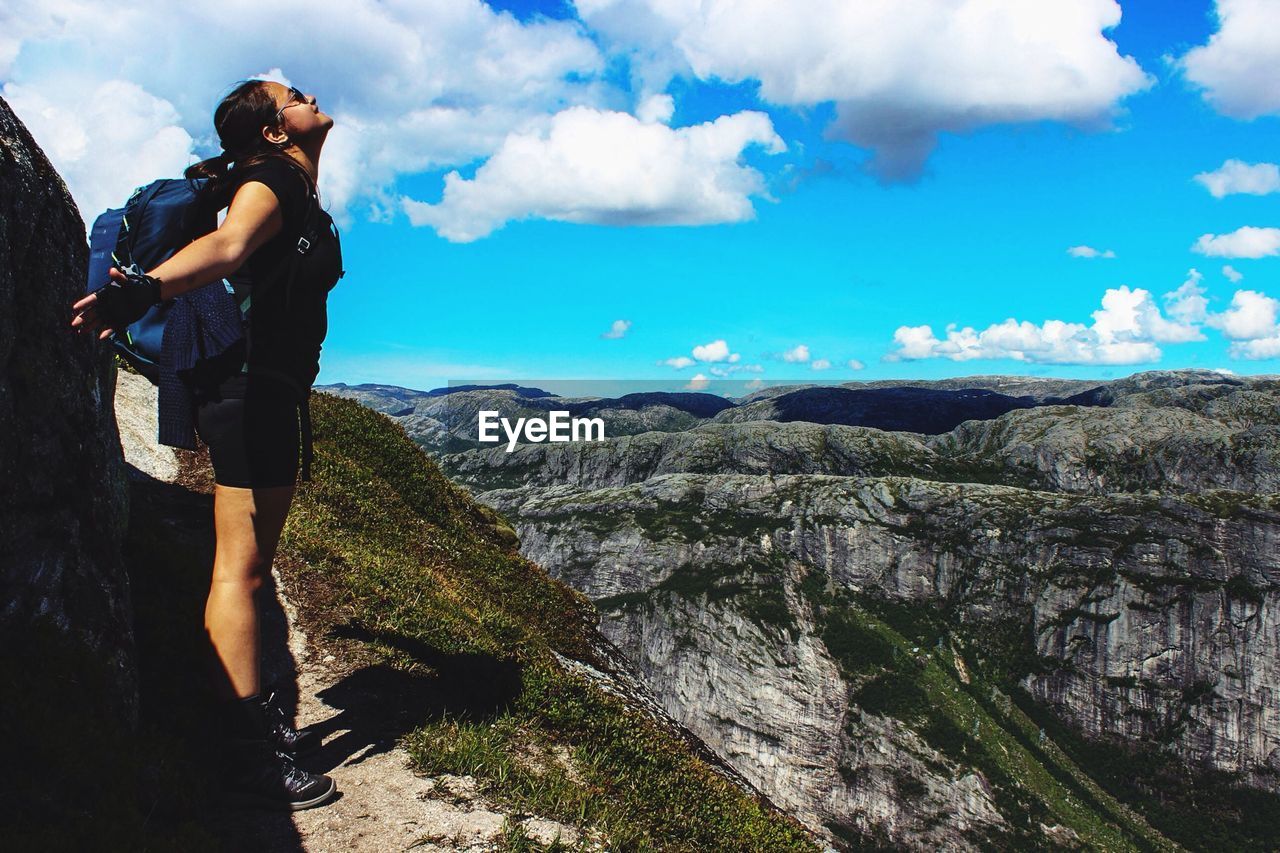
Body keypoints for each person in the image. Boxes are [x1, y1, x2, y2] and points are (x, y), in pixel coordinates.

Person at [72, 79, 344, 810]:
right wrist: (141, 292)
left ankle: (247, 735)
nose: (309, 96)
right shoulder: (272, 180)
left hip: (254, 390)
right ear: (274, 131)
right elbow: (224, 247)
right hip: (249, 392)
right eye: (292, 95)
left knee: (243, 569)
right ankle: (245, 753)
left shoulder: (284, 184)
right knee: (242, 573)